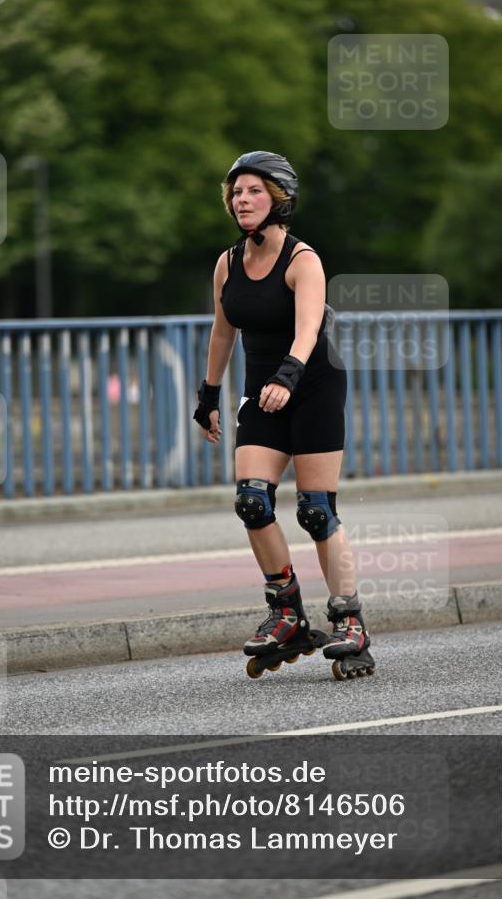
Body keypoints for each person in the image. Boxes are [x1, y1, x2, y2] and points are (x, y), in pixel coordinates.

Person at [193, 151, 375, 680]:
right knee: (252, 501)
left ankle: (349, 620)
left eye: (253, 191)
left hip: (312, 385)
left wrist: (288, 375)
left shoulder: (303, 259)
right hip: (262, 391)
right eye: (235, 192)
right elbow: (223, 331)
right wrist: (207, 395)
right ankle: (288, 611)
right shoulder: (227, 262)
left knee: (316, 510)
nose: (241, 200)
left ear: (278, 198)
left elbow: (308, 329)